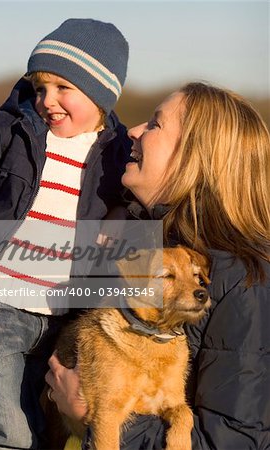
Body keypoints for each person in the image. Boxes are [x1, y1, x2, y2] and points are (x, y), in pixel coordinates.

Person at [46, 82, 270, 449]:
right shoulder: (142, 241)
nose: (133, 131)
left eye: (155, 125)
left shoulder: (245, 281)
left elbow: (234, 440)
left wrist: (95, 411)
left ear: (195, 157)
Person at [0, 18, 131, 449]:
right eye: (40, 88)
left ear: (101, 93)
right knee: (10, 431)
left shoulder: (118, 153)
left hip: (65, 317)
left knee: (49, 428)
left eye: (64, 88)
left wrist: (118, 211)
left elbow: (145, 198)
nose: (47, 101)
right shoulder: (10, 130)